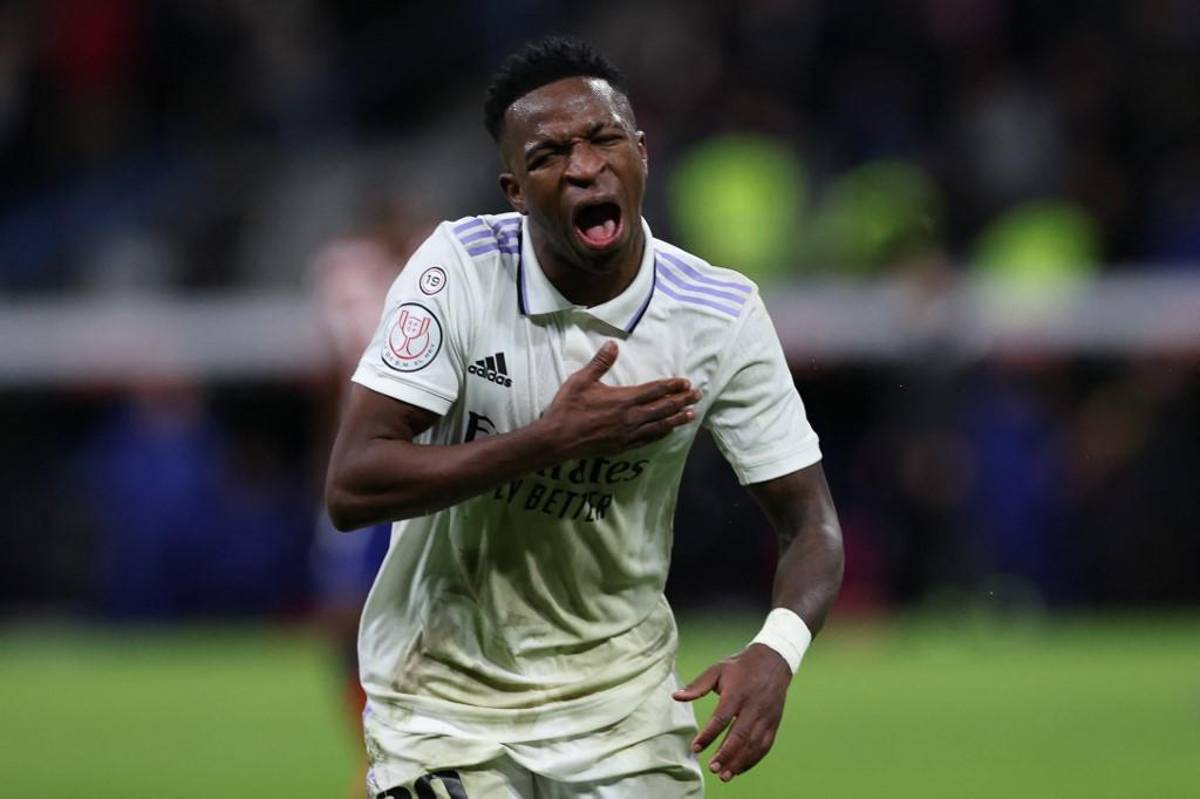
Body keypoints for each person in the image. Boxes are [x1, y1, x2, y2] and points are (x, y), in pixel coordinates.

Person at [325, 37, 843, 798]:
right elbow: (352, 485)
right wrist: (548, 441)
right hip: (443, 699)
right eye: (549, 155)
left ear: (642, 153)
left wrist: (777, 650)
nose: (583, 166)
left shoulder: (718, 314)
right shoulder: (458, 271)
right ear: (515, 190)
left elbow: (811, 523)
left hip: (624, 711)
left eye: (604, 139)